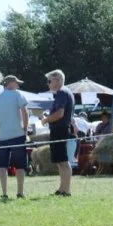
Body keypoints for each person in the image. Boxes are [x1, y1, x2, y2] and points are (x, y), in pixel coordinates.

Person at [0, 74, 29, 200]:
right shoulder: (17, 94)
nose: (18, 85)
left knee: (3, 166)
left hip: (2, 137)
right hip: (18, 135)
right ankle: (20, 192)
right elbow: (25, 112)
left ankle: (4, 193)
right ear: (10, 84)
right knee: (20, 165)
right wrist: (25, 129)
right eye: (16, 83)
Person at [41, 69, 74, 197]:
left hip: (60, 129)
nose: (48, 84)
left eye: (50, 81)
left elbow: (60, 114)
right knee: (60, 161)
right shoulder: (62, 93)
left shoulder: (62, 92)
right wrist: (47, 117)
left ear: (58, 80)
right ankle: (62, 189)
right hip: (58, 129)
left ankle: (66, 190)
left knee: (63, 161)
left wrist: (45, 119)